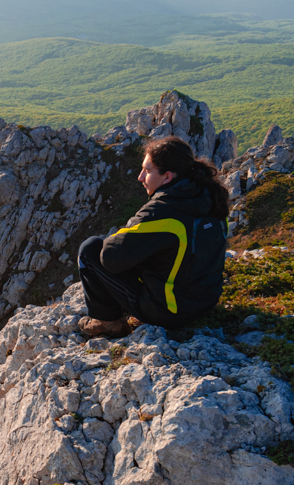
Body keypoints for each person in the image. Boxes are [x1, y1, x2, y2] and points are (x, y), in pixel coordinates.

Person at [77, 136, 229, 337]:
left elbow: (111, 257)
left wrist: (130, 229)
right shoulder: (212, 199)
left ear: (167, 177)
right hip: (204, 304)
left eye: (147, 171)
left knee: (90, 249)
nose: (140, 177)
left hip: (170, 312)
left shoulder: (163, 211)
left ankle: (108, 322)